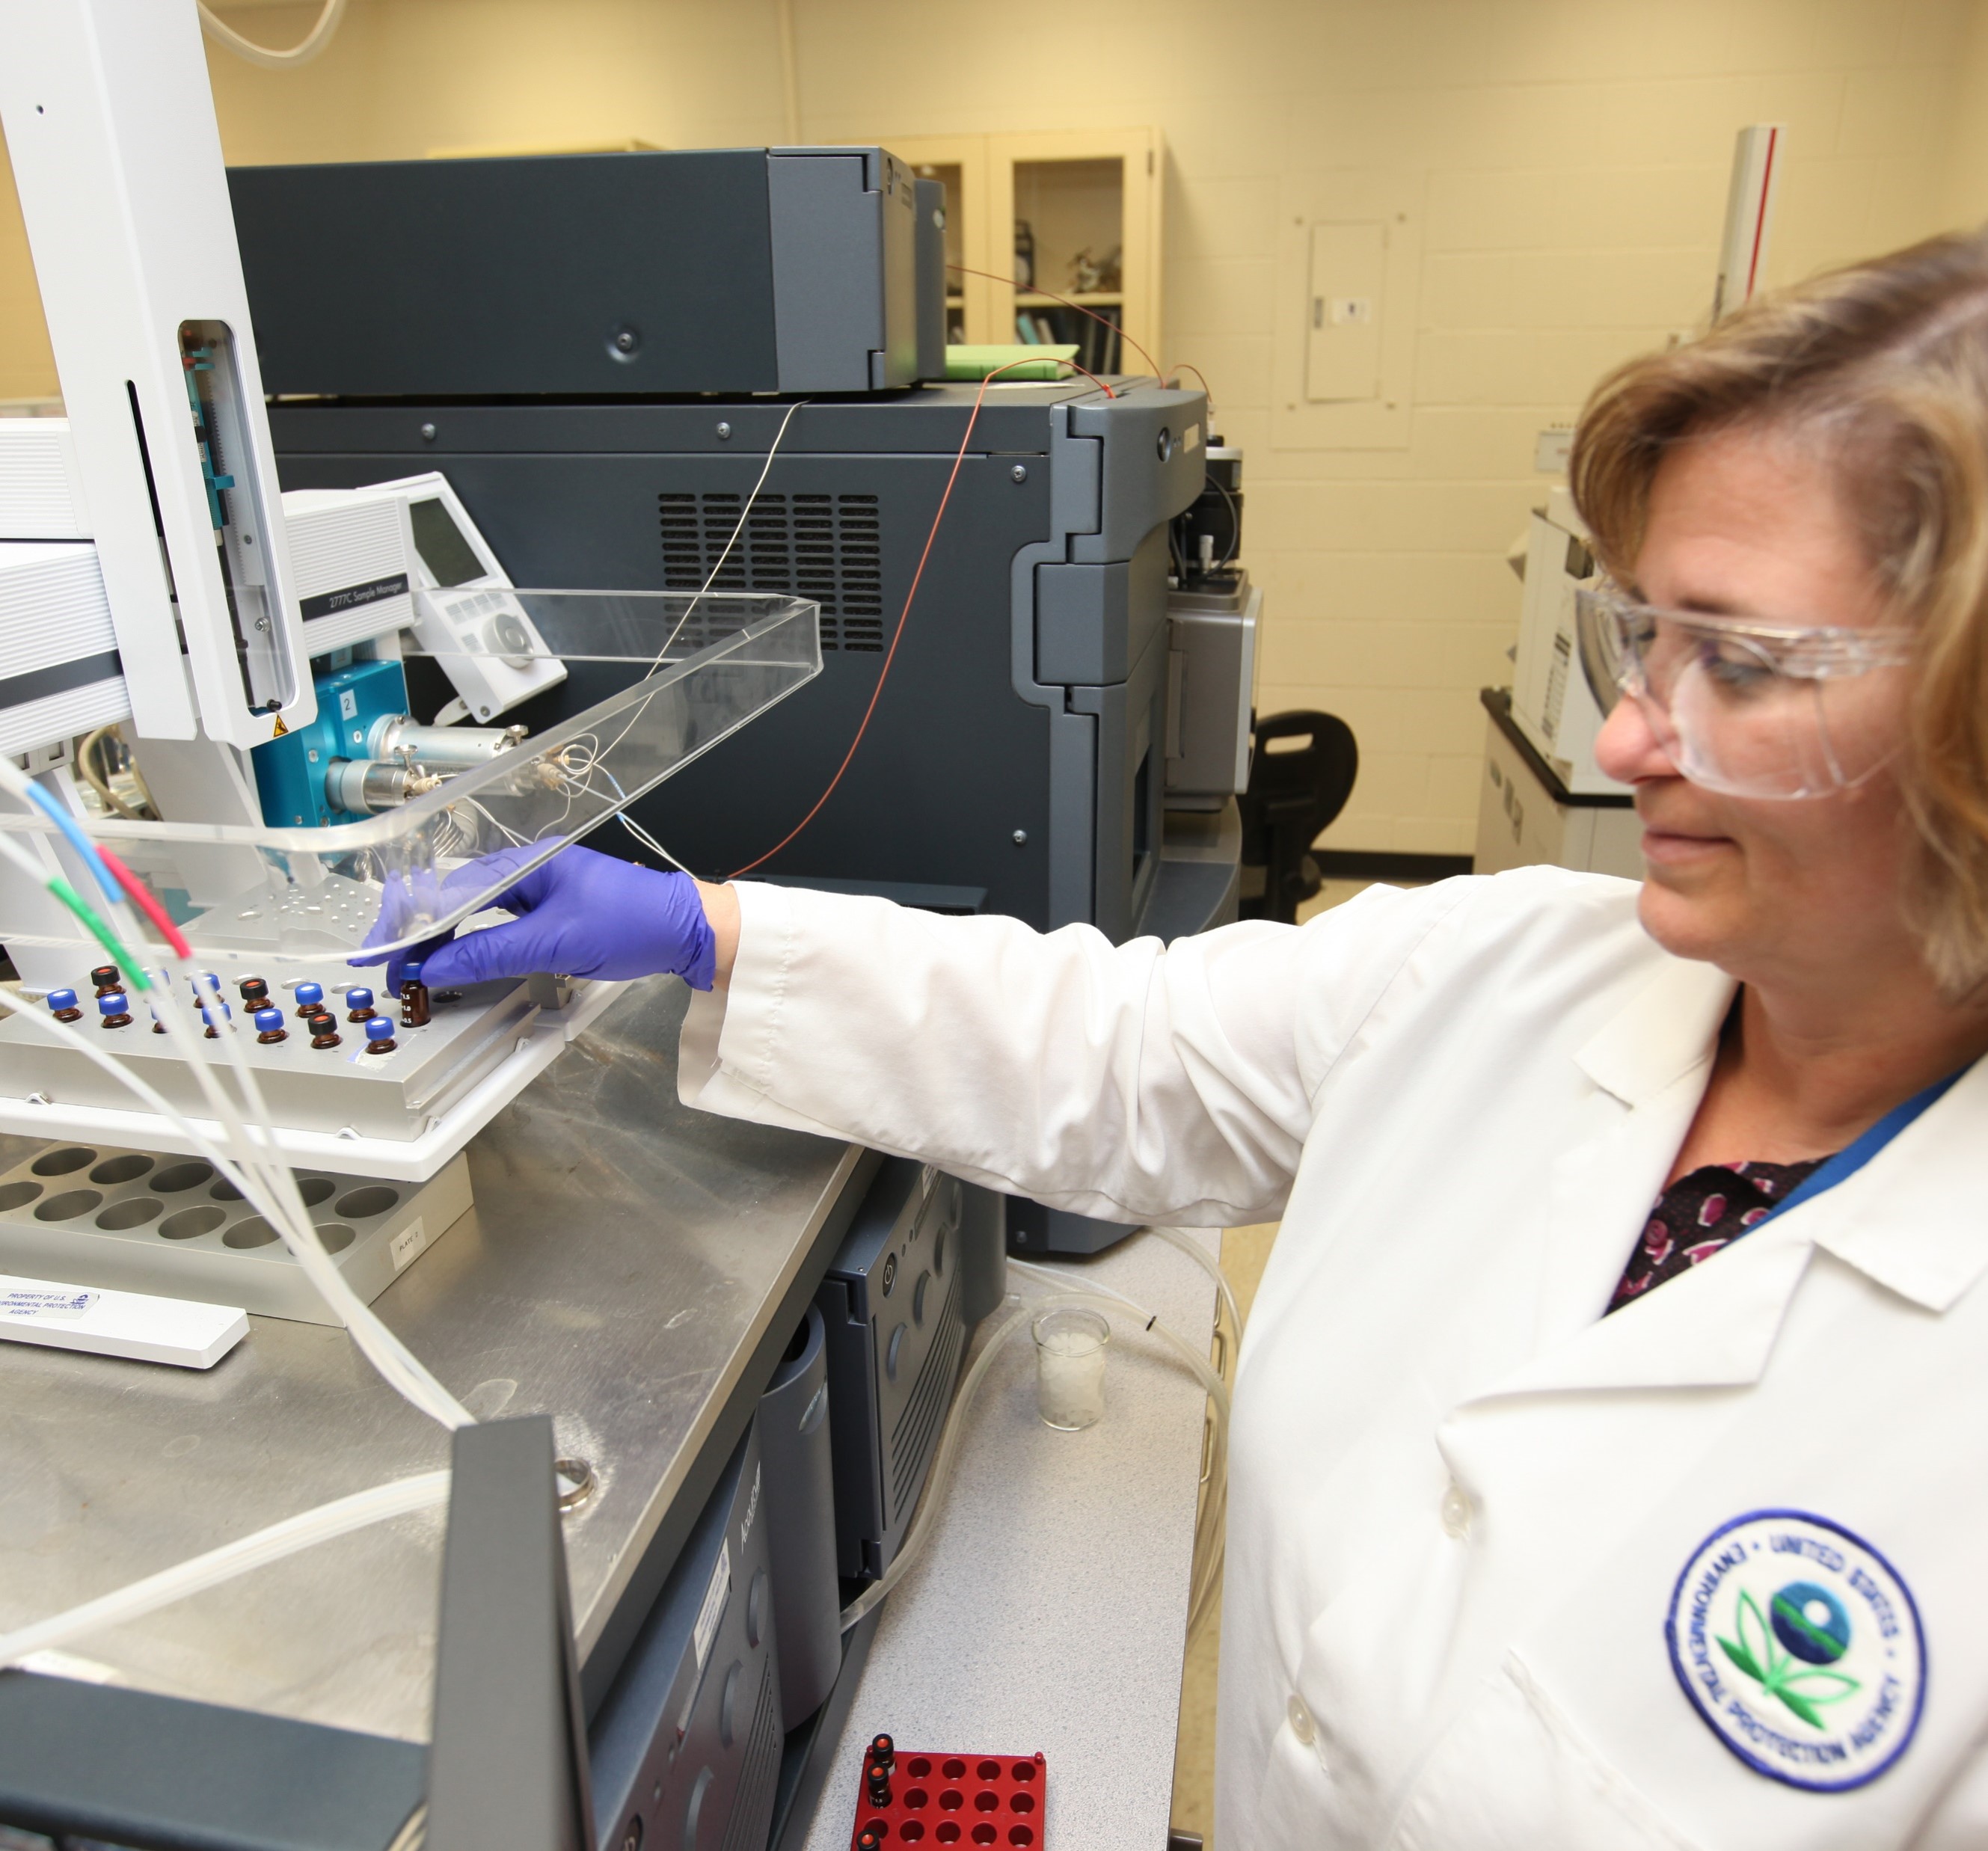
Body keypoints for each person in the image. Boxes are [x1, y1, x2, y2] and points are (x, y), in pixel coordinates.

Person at [392, 235, 1988, 1847]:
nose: (1632, 732)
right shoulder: (1508, 966)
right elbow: (1121, 1047)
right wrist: (706, 929)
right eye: (1641, 639)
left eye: (1743, 661)